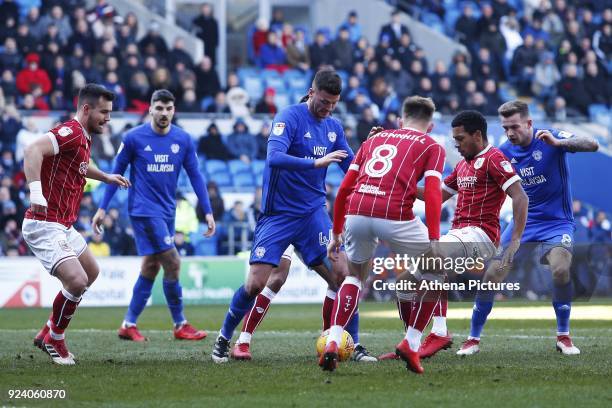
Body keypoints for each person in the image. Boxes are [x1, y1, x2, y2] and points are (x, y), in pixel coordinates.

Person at [211, 69, 369, 363]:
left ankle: (347, 344)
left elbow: (352, 168)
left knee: (342, 276)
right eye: (323, 101)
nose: (328, 108)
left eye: (333, 104)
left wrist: (368, 151)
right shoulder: (289, 117)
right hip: (278, 215)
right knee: (257, 283)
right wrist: (316, 162)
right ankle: (224, 337)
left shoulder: (333, 128)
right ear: (311, 93)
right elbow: (275, 157)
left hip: (312, 214)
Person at [377, 110, 528, 370]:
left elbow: (520, 196)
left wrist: (514, 241)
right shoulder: (462, 165)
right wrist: (401, 182)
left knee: (433, 262)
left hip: (481, 236)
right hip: (459, 234)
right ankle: (430, 335)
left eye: (460, 139)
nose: (456, 145)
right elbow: (436, 195)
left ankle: (414, 343)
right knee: (403, 285)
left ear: (477, 135)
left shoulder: (494, 158)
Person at [456, 101, 598, 356]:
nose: (510, 133)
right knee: (492, 275)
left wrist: (560, 144)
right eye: (505, 127)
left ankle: (563, 336)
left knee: (560, 267)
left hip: (557, 222)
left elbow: (592, 144)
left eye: (515, 127)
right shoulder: (502, 152)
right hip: (523, 222)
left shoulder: (550, 138)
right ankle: (472, 339)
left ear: (529, 123)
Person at [321, 96, 446, 373]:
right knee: (436, 271)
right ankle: (411, 343)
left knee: (354, 276)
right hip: (394, 214)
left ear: (400, 120)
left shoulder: (373, 140)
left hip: (356, 210)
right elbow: (434, 193)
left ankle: (332, 340)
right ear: (431, 125)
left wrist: (336, 232)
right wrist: (435, 238)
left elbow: (342, 189)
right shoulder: (432, 145)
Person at [92, 89, 216, 342]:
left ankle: (128, 324)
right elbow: (116, 173)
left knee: (151, 266)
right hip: (144, 211)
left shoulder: (183, 139)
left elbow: (196, 176)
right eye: (159, 108)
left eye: (168, 109)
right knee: (173, 263)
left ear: (174, 110)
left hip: (167, 212)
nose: (164, 113)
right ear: (150, 109)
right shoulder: (134, 137)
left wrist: (208, 211)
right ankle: (180, 324)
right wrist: (102, 208)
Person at [24, 84, 130, 365]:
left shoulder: (84, 138)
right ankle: (55, 339)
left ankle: (47, 330)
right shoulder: (69, 132)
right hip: (43, 223)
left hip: (63, 224)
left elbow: (80, 167)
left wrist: (106, 176)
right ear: (86, 109)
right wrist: (36, 193)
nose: (108, 118)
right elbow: (32, 150)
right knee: (77, 280)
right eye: (104, 112)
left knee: (91, 271)